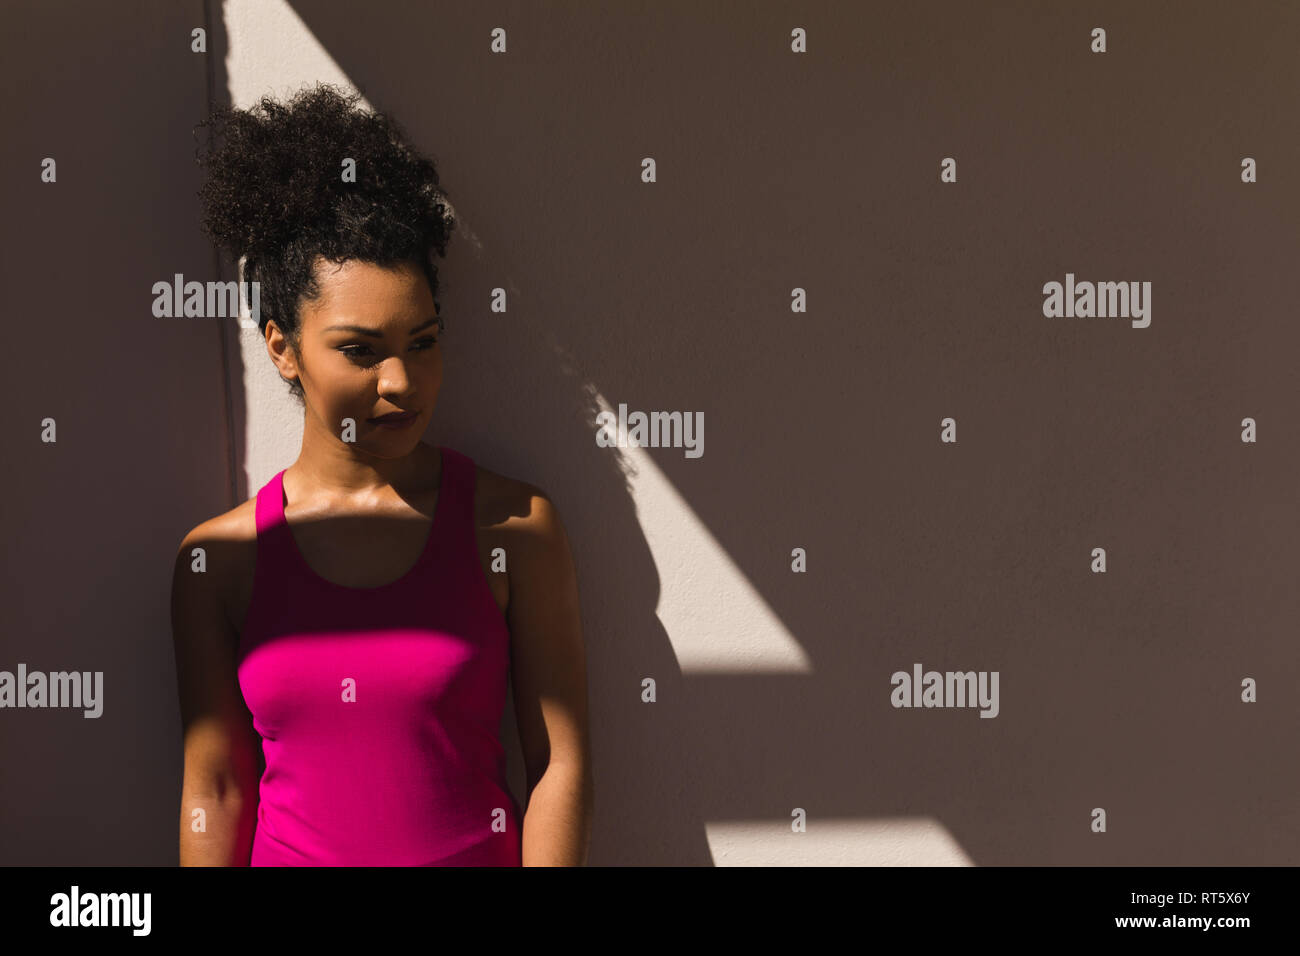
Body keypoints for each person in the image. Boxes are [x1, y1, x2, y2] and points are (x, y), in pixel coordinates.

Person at [170, 84, 592, 866]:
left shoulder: (513, 528)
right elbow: (217, 789)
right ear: (280, 346)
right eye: (361, 351)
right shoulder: (218, 562)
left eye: (424, 341)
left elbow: (560, 767)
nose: (402, 382)